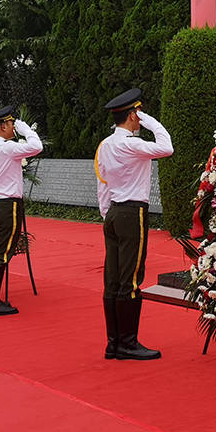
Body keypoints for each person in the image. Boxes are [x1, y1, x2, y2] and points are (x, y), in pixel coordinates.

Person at [95, 88, 174, 361]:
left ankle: (114, 342)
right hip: (131, 213)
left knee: (113, 279)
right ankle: (128, 343)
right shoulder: (131, 144)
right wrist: (150, 121)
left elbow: (102, 181)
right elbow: (167, 147)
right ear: (132, 114)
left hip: (115, 212)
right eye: (137, 114)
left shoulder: (105, 145)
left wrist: (106, 212)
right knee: (130, 279)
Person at [0, 106, 43, 316]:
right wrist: (26, 131)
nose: (14, 127)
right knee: (1, 253)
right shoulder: (6, 148)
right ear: (3, 125)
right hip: (6, 206)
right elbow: (36, 146)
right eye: (12, 124)